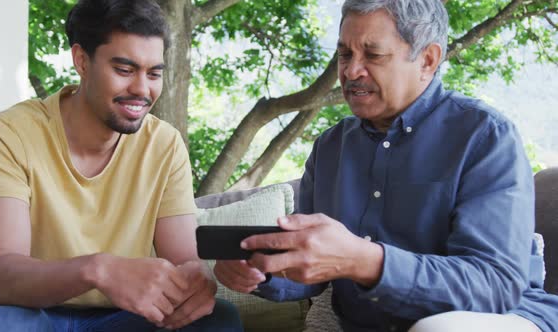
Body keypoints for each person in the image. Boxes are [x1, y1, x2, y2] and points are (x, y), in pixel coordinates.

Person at [214, 0, 558, 331]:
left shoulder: (485, 138)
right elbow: (317, 276)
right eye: (345, 54)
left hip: (502, 318)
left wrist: (366, 260)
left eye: (373, 55)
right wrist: (264, 273)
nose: (351, 70)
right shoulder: (330, 146)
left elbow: (494, 286)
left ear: (427, 59)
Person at [0, 0, 242, 331]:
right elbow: (4, 279)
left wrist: (198, 279)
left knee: (218, 320)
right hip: (21, 311)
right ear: (81, 60)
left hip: (122, 316)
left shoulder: (165, 145)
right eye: (125, 70)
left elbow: (184, 260)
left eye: (154, 73)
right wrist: (99, 269)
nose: (142, 89)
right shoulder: (8, 133)